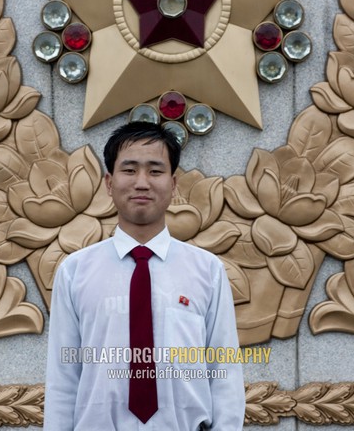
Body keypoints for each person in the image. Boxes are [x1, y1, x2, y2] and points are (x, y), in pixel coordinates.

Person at [43, 121, 245, 430]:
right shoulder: (75, 272)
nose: (141, 182)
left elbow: (225, 372)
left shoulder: (207, 271)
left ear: (173, 183)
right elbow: (63, 376)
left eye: (155, 171)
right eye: (129, 170)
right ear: (109, 183)